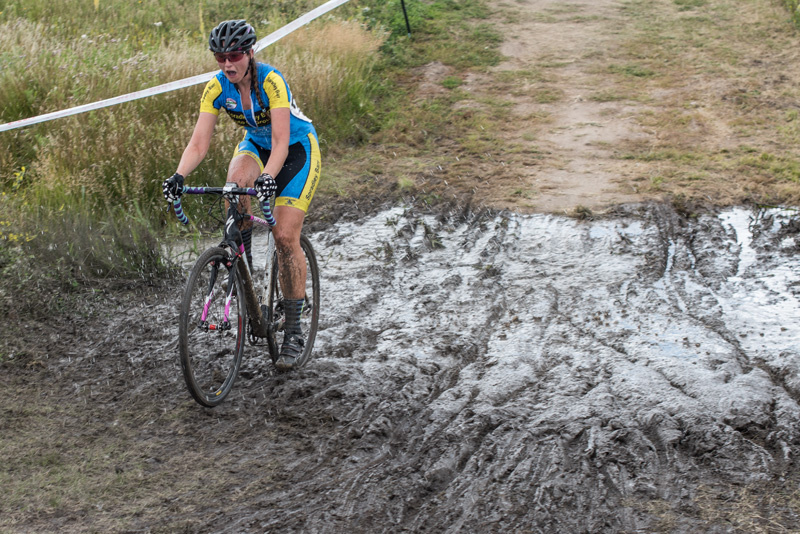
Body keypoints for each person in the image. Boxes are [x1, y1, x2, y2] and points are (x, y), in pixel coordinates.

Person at [162, 19, 321, 370]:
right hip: (255, 146)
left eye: (233, 56)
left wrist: (267, 178)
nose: (227, 64)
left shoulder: (271, 81)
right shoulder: (217, 87)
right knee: (234, 188)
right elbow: (198, 143)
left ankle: (294, 332)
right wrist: (178, 175)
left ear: (250, 53)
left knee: (284, 235)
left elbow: (281, 142)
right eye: (220, 57)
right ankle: (243, 272)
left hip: (296, 150)